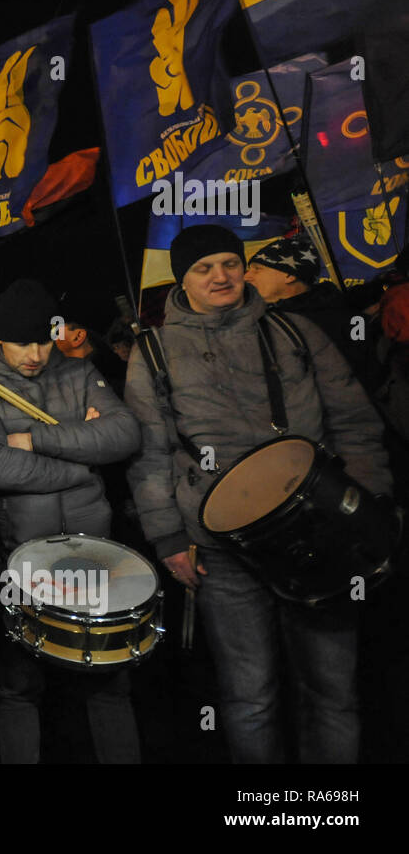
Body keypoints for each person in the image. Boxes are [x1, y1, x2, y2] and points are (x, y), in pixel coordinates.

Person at [125, 225, 390, 763]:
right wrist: (169, 539)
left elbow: (354, 424)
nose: (220, 276)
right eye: (204, 268)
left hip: (320, 534)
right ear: (183, 279)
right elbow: (150, 456)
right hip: (223, 552)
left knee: (333, 693)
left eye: (229, 262)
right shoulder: (153, 352)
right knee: (250, 698)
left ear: (244, 267)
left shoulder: (295, 332)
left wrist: (368, 503)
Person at [0, 279, 143, 764]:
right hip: (20, 554)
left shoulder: (79, 373)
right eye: (22, 342)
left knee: (107, 679)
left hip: (94, 549)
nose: (35, 353)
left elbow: (124, 434)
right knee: (19, 683)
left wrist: (35, 438)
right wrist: (84, 459)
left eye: (43, 339)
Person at [245, 235, 383, 395]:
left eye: (257, 269)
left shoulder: (337, 318)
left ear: (289, 275)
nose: (246, 276)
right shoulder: (261, 319)